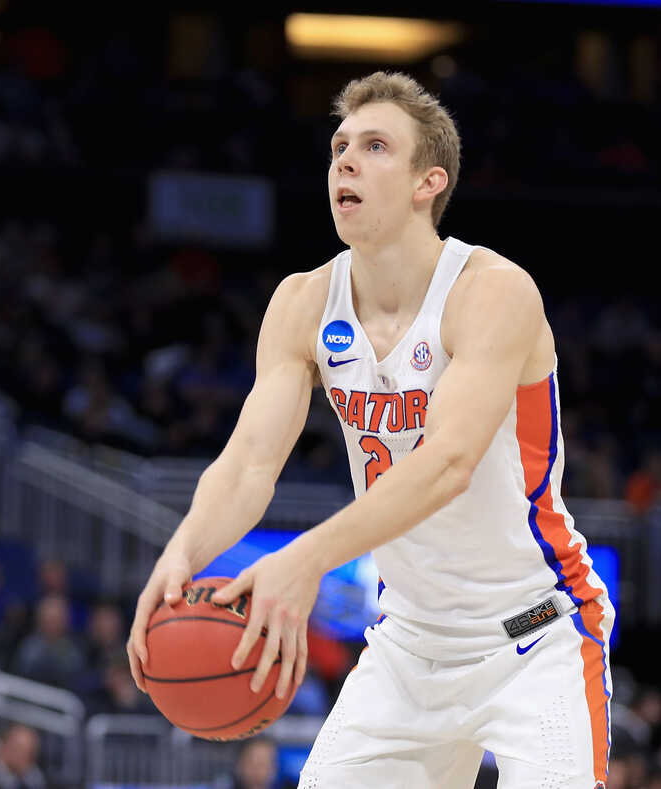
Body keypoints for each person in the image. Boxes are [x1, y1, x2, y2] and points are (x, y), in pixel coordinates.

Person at [126, 71, 614, 788]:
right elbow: (247, 465)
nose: (345, 162)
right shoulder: (301, 302)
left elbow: (448, 463)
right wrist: (183, 551)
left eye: (376, 146)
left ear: (428, 182)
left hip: (536, 634)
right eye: (339, 146)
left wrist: (305, 558)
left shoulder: (491, 290)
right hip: (408, 648)